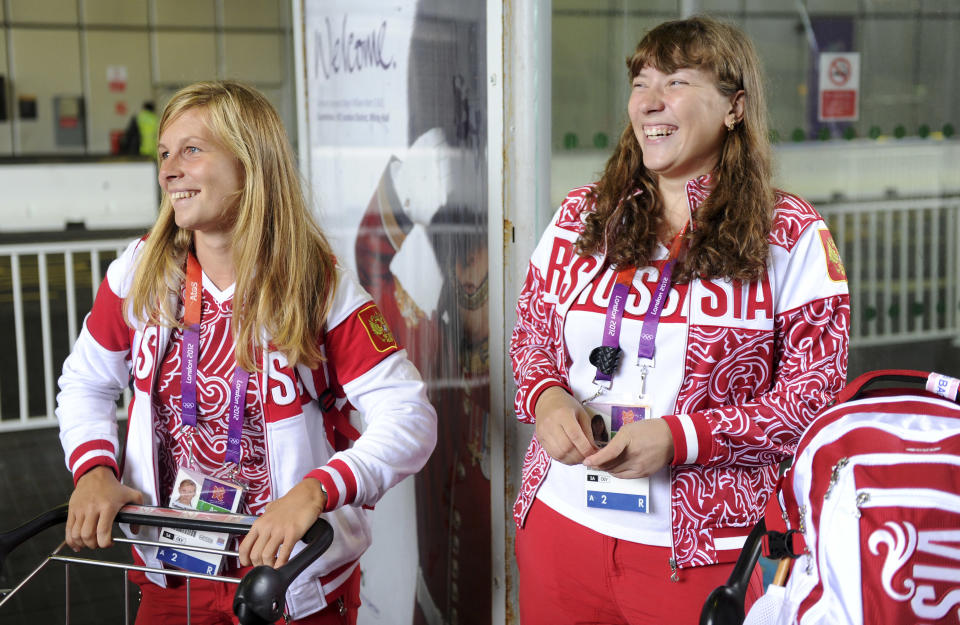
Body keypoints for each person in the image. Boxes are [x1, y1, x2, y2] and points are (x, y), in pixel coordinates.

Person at [56, 80, 437, 624]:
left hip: (289, 580)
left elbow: (411, 417)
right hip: (174, 568)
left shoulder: (316, 286)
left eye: (192, 150)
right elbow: (86, 382)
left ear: (250, 161)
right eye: (164, 153)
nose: (168, 169)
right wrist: (94, 468)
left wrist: (315, 491)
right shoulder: (140, 272)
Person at [510, 16, 850, 625]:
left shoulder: (791, 235)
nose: (650, 102)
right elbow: (532, 334)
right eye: (641, 83)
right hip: (561, 531)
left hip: (702, 558)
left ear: (734, 107)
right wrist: (547, 398)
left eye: (676, 82)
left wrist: (680, 438)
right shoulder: (582, 216)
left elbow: (811, 401)